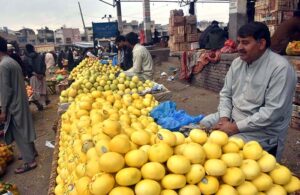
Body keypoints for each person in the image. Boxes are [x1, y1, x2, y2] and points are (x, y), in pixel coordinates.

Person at [199, 22, 297, 161]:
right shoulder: (237, 63)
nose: (239, 47)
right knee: (200, 126)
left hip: (262, 131)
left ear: (261, 43)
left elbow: (271, 113)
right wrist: (224, 118)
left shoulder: (280, 69)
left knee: (226, 150)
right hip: (233, 117)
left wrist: (234, 128)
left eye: (245, 43)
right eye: (238, 42)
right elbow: (226, 94)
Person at [0, 36, 38, 174]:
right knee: (25, 127)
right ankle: (32, 152)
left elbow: (5, 90)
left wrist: (3, 110)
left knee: (19, 132)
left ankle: (30, 162)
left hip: (14, 103)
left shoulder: (3, 65)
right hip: (20, 100)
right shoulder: (11, 61)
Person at [23, 44, 47, 109]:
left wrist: (36, 74)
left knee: (36, 91)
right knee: (42, 89)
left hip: (33, 76)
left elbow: (28, 68)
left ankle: (40, 105)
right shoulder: (40, 56)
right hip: (42, 75)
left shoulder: (26, 58)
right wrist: (41, 73)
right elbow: (44, 65)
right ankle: (44, 104)